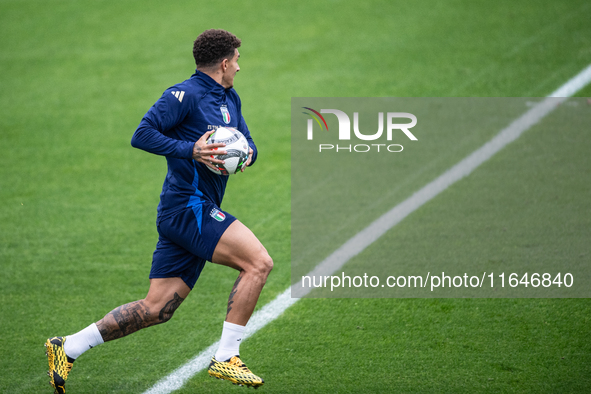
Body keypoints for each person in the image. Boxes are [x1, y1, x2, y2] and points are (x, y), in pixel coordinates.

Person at [45, 29, 273, 393]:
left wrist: (245, 155)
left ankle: (68, 346)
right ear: (225, 62)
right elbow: (143, 133)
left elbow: (250, 142)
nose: (239, 68)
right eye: (237, 61)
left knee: (157, 308)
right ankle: (227, 356)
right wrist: (191, 150)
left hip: (192, 211)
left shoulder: (231, 99)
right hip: (187, 207)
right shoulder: (183, 95)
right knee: (258, 263)